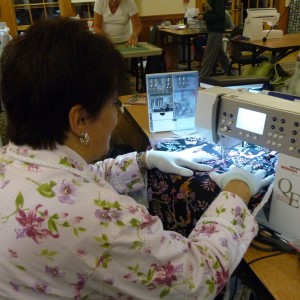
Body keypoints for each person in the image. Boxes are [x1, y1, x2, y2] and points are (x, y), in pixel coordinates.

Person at [0, 18, 274, 299]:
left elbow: (72, 180)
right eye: (113, 103)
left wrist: (145, 160)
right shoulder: (99, 221)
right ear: (80, 118)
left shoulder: (13, 162)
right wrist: (237, 190)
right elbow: (197, 278)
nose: (116, 115)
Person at [197, 0, 235, 80]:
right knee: (219, 53)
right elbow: (213, 12)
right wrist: (204, 15)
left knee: (209, 54)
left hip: (216, 29)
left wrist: (204, 17)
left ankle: (203, 78)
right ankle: (231, 73)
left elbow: (219, 15)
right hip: (213, 29)